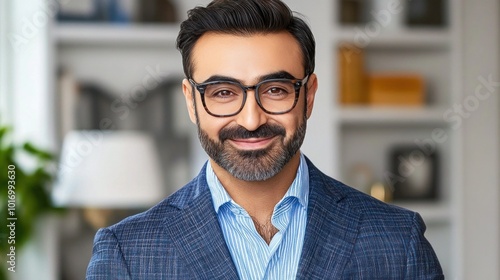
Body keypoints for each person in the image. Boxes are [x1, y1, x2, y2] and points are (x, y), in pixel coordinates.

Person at [86, 0, 444, 279]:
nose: (251, 119)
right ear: (191, 102)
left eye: (274, 89)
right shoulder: (127, 253)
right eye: (223, 92)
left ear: (309, 95)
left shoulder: (399, 241)